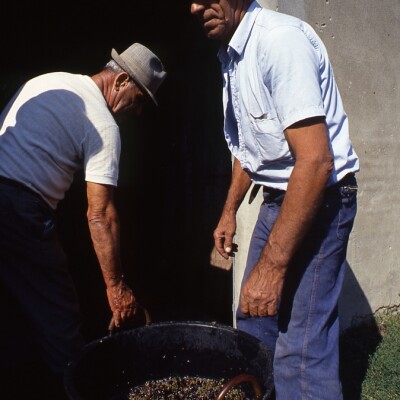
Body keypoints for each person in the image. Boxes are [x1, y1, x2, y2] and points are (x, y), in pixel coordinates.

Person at [190, 1, 359, 399]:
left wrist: (273, 267)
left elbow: (316, 162)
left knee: (300, 350)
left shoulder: (279, 42)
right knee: (253, 323)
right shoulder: (232, 54)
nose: (197, 6)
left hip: (322, 196)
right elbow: (254, 148)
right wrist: (229, 211)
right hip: (278, 197)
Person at [0, 42, 166, 395]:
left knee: (13, 311)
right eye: (137, 101)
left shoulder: (51, 80)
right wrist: (117, 287)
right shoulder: (104, 124)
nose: (136, 113)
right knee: (59, 319)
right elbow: (100, 214)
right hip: (20, 209)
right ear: (121, 80)